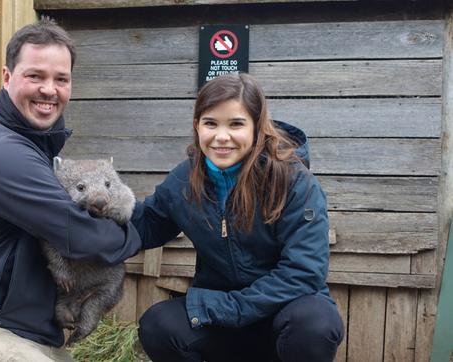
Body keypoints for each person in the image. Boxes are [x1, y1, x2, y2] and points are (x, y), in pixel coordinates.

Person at [0, 19, 141, 362]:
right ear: (7, 78)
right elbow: (84, 237)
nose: (49, 89)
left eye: (61, 79)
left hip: (20, 336)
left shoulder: (34, 150)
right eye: (35, 76)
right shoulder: (4, 154)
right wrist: (137, 234)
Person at [132, 74, 344, 362]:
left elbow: (303, 273)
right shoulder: (184, 180)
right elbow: (144, 225)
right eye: (210, 123)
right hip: (223, 317)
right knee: (159, 326)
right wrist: (80, 218)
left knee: (316, 324)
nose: (221, 136)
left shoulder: (294, 183)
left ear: (257, 127)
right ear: (197, 126)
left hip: (283, 313)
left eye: (236, 124)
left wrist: (228, 307)